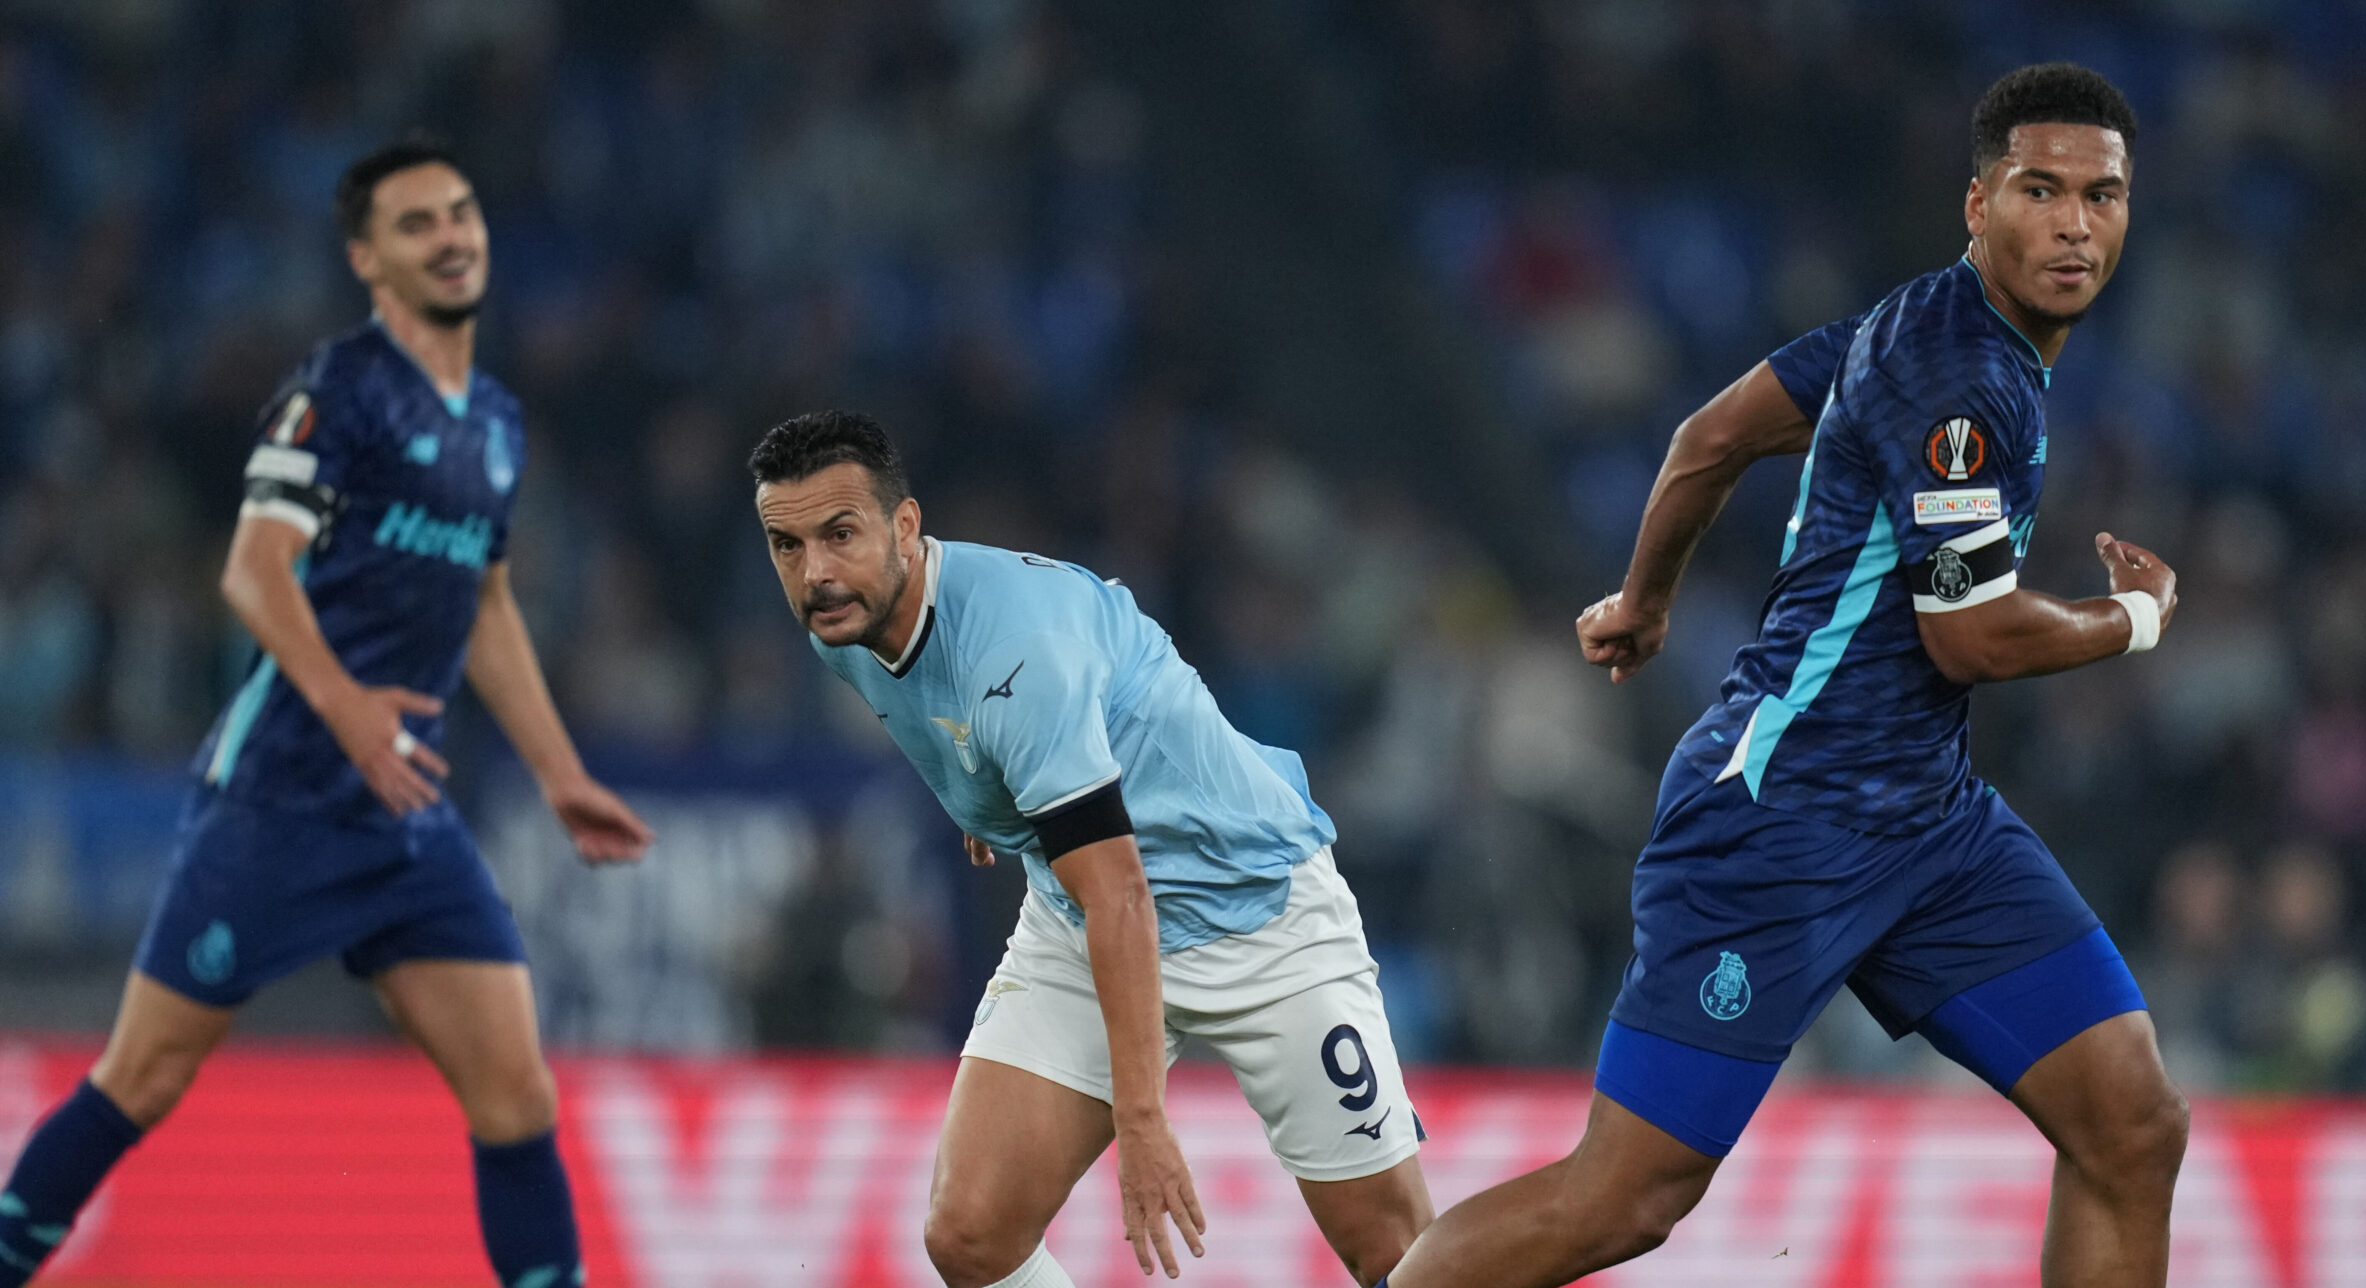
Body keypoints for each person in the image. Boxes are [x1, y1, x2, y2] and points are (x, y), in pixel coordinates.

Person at [1383, 63, 2187, 1287]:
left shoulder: (1911, 323)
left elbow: (1710, 437)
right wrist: (2129, 619)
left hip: (1925, 817)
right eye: (2040, 189)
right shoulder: (1959, 378)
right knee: (1627, 1196)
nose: (2075, 223)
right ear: (1977, 206)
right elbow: (1963, 637)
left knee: (2131, 1121)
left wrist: (1641, 601)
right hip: (1784, 816)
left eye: (2102, 195)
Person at [0, 135, 652, 1288]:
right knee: (142, 1076)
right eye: (416, 223)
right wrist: (351, 712)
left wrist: (557, 770)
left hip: (403, 813)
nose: (451, 235)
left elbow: (485, 600)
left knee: (516, 1092)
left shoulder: (495, 420)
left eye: (461, 212)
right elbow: (253, 572)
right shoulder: (336, 392)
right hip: (282, 793)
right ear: (367, 258)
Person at [749, 410, 1431, 1287]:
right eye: (786, 545)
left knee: (1395, 1253)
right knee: (969, 1234)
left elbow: (1124, 895)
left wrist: (1142, 1123)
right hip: (1083, 910)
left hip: (1256, 913)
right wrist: (989, 798)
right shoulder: (841, 624)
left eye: (840, 534)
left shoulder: (1017, 653)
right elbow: (950, 718)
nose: (815, 572)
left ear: (906, 527)